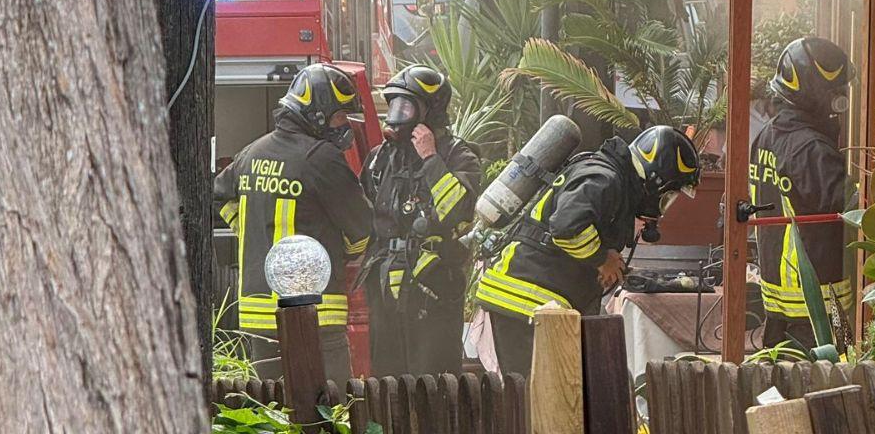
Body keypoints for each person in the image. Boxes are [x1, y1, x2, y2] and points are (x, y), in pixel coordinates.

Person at [477, 125, 702, 376]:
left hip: (539, 302)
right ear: (656, 178)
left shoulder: (610, 177)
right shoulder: (604, 179)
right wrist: (601, 259)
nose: (664, 204)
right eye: (668, 195)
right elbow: (566, 227)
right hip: (525, 299)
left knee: (558, 394)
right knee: (537, 397)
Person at [214, 63, 373, 382]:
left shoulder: (250, 154)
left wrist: (247, 231)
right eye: (339, 116)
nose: (343, 126)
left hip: (259, 314)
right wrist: (341, 251)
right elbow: (362, 229)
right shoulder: (322, 159)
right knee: (330, 409)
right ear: (317, 114)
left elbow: (218, 194)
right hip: (315, 313)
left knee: (271, 410)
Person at [361, 65, 481, 376]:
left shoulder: (458, 156)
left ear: (430, 112)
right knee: (386, 377)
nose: (396, 115)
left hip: (434, 286)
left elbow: (458, 211)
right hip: (385, 285)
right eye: (394, 105)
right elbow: (363, 211)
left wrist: (430, 158)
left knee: (433, 378)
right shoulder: (381, 157)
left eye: (406, 106)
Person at [750, 37, 855, 348]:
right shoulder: (811, 149)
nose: (841, 98)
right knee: (835, 374)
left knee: (781, 382)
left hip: (777, 300)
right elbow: (856, 208)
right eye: (834, 91)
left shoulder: (766, 136)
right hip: (822, 305)